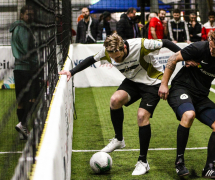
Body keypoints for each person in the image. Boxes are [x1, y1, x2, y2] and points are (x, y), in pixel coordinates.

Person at [59, 34, 181, 175]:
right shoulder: (107, 52)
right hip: (133, 81)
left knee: (142, 116)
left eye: (117, 57)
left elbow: (165, 42)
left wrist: (185, 56)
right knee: (115, 100)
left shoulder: (141, 45)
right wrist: (71, 72)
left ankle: (143, 162)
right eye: (112, 58)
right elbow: (91, 59)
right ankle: (119, 139)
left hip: (153, 83)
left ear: (123, 48)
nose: (115, 60)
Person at [158, 27, 215, 179]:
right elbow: (173, 58)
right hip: (181, 89)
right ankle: (179, 162)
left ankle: (209, 167)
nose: (212, 50)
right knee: (189, 114)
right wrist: (164, 84)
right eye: (211, 46)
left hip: (200, 96)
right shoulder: (199, 47)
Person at [10, 5, 40, 140]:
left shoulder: (18, 28)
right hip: (27, 69)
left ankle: (23, 130)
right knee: (32, 99)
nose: (30, 17)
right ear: (21, 15)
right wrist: (37, 65)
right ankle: (23, 124)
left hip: (19, 69)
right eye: (28, 14)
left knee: (22, 101)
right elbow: (27, 51)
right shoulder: (22, 29)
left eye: (32, 14)